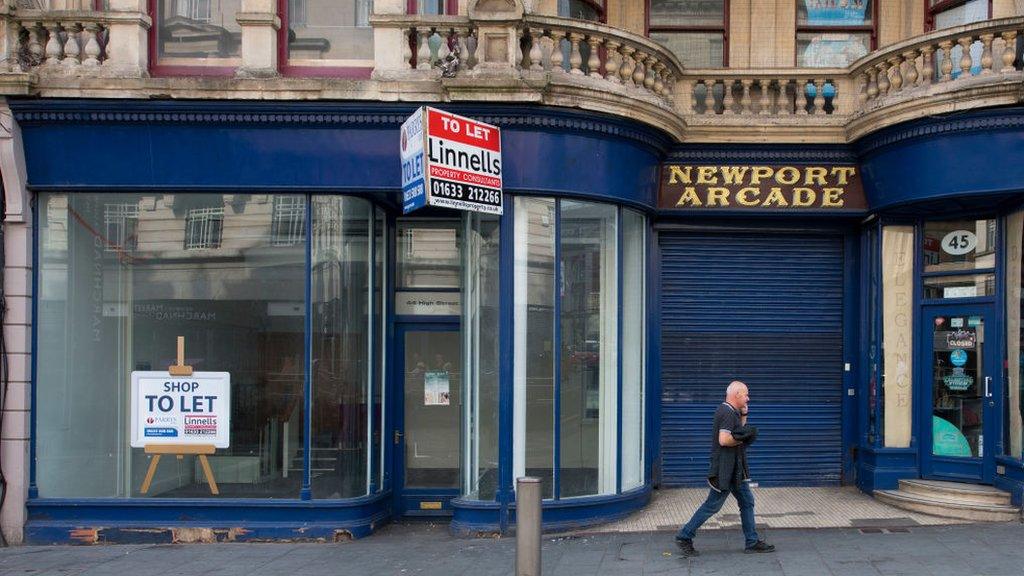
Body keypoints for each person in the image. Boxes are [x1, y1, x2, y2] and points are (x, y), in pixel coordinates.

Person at [675, 380, 775, 557]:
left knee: (747, 502)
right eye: (745, 394)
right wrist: (744, 439)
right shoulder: (726, 413)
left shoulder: (732, 411)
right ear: (736, 395)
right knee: (712, 506)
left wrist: (744, 414)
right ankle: (684, 536)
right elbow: (724, 440)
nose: (748, 398)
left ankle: (751, 542)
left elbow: (739, 430)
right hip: (726, 470)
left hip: (736, 469)